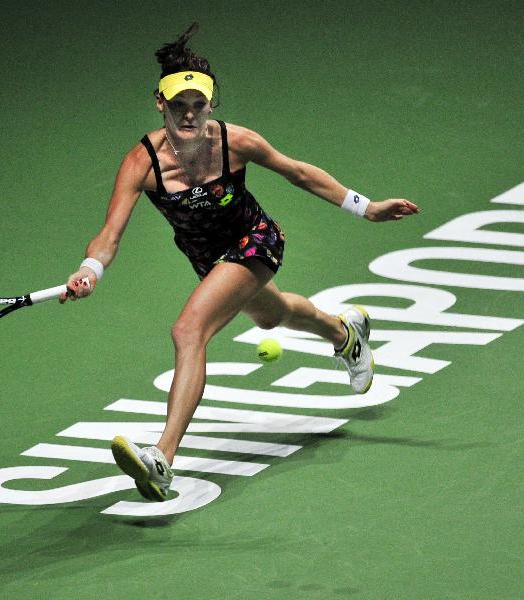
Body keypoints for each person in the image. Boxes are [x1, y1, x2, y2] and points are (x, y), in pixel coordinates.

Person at [61, 23, 419, 501]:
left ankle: (163, 459)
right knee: (274, 314)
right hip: (208, 259)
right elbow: (110, 234)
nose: (189, 116)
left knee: (189, 330)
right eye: (179, 105)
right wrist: (91, 269)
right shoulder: (141, 163)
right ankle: (344, 333)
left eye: (199, 105)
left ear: (212, 106)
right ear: (160, 103)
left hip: (256, 241)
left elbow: (299, 173)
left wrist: (366, 206)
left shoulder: (235, 142)